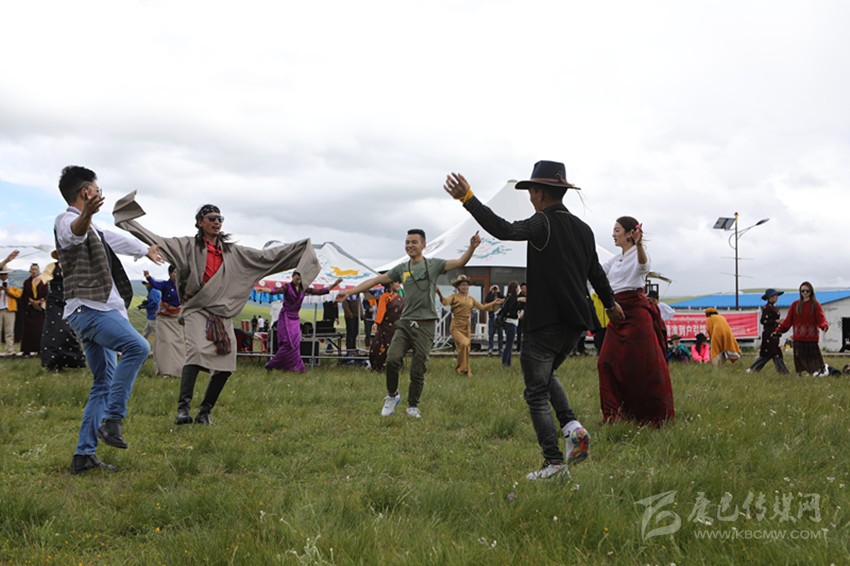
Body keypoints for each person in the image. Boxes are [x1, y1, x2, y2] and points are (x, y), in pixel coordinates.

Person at [444, 161, 622, 481]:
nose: (529, 198)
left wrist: (468, 198)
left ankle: (554, 464)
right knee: (546, 375)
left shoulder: (542, 222)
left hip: (544, 321)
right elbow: (596, 272)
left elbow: (505, 230)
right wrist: (610, 304)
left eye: (531, 192)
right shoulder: (583, 229)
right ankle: (571, 426)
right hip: (575, 323)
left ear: (539, 193)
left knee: (536, 393)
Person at [113, 191, 320, 425]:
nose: (217, 222)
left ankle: (204, 412)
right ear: (200, 222)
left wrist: (300, 249)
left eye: (220, 219)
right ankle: (183, 410)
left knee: (227, 363)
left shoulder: (233, 253)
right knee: (196, 352)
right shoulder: (187, 246)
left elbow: (265, 257)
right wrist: (128, 220)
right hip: (196, 308)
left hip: (222, 314)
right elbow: (156, 239)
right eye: (212, 218)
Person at [55, 166, 162, 475]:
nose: (99, 193)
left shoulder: (95, 230)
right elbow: (73, 233)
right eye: (97, 189)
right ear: (86, 192)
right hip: (92, 311)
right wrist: (86, 213)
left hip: (94, 312)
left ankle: (83, 456)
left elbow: (115, 239)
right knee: (138, 347)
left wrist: (145, 249)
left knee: (102, 384)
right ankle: (113, 420)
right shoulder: (65, 221)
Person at [337, 228, 480, 419]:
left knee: (418, 366)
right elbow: (377, 280)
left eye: (414, 242)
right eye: (407, 242)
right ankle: (392, 395)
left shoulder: (434, 265)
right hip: (405, 322)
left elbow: (460, 262)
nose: (410, 245)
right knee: (392, 359)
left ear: (423, 245)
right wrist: (350, 292)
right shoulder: (402, 269)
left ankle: (413, 406)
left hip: (426, 324)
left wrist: (471, 247)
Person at [598, 216, 674, 427]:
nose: (613, 234)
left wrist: (639, 245)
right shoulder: (615, 260)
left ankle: (646, 416)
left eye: (617, 230)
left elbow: (643, 266)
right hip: (617, 313)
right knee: (605, 362)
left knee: (639, 366)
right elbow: (596, 272)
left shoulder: (640, 255)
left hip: (636, 315)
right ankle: (612, 415)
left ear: (630, 233)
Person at [265, 272, 341, 373]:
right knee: (288, 343)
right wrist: (266, 290)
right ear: (292, 277)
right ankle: (272, 364)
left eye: (300, 279)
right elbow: (277, 290)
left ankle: (295, 367)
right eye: (296, 279)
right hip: (286, 317)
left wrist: (335, 284)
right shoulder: (287, 287)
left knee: (296, 344)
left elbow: (320, 292)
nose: (298, 281)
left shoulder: (303, 288)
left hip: (295, 318)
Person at [437, 274, 502, 376]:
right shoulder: (454, 297)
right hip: (456, 326)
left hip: (466, 326)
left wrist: (494, 302)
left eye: (466, 285)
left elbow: (482, 307)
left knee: (466, 348)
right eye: (463, 285)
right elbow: (445, 302)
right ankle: (462, 368)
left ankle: (464, 369)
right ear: (458, 286)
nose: (465, 287)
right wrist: (439, 293)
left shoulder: (471, 299)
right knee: (465, 343)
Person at [39, 253, 86, 372]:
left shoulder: (73, 266)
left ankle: (70, 361)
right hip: (54, 302)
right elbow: (45, 276)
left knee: (69, 330)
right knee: (54, 330)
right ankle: (53, 363)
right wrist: (41, 280)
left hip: (69, 301)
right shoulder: (52, 266)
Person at [774, 281, 829, 377]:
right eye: (802, 291)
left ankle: (816, 374)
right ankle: (800, 375)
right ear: (800, 292)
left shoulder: (815, 305)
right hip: (798, 338)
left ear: (811, 292)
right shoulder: (795, 305)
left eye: (807, 291)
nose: (805, 293)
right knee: (799, 359)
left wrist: (824, 326)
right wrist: (778, 331)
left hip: (811, 338)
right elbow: (787, 321)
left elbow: (821, 318)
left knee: (814, 360)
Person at [145, 266, 185, 377]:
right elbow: (156, 285)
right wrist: (148, 277)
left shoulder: (182, 286)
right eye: (174, 272)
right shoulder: (165, 285)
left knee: (179, 343)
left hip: (176, 319)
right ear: (170, 273)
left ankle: (179, 370)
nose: (176, 274)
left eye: (178, 272)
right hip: (164, 319)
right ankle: (165, 370)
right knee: (166, 342)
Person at [747, 288, 790, 375]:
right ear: (770, 297)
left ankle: (783, 372)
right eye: (774, 296)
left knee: (774, 354)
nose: (776, 298)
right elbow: (763, 321)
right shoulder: (767, 308)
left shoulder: (774, 308)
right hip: (769, 334)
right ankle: (753, 369)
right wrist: (776, 321)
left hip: (774, 333)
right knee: (769, 353)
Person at [369, 281, 404, 372]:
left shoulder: (399, 297)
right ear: (390, 284)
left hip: (397, 326)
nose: (398, 285)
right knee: (383, 345)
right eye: (396, 283)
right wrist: (376, 323)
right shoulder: (384, 297)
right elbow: (380, 311)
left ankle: (397, 365)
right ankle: (380, 366)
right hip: (386, 327)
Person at [19, 263, 48, 357]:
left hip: (39, 309)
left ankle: (40, 350)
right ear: (30, 271)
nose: (34, 271)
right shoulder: (27, 282)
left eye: (36, 269)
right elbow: (24, 295)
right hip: (30, 309)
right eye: (33, 269)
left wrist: (39, 301)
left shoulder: (43, 282)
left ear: (38, 271)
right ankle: (26, 350)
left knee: (39, 330)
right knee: (28, 331)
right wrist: (31, 301)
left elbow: (46, 294)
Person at [0, 251, 22, 356]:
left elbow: (18, 294)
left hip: (10, 309)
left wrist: (8, 291)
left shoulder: (13, 283)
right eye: (2, 274)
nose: (4, 276)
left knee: (9, 331)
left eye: (5, 274)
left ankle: (10, 350)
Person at [499, 281, 522, 367]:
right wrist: (518, 314)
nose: (518, 289)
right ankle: (505, 363)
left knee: (509, 344)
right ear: (514, 289)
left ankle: (508, 363)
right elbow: (512, 311)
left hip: (508, 322)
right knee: (509, 345)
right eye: (517, 288)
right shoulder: (512, 298)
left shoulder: (508, 297)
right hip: (511, 322)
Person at [485, 284, 504, 356]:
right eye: (494, 288)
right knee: (491, 333)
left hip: (499, 316)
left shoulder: (500, 296)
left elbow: (504, 298)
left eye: (496, 288)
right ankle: (490, 348)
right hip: (492, 316)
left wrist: (498, 292)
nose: (495, 289)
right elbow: (487, 300)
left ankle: (500, 348)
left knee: (500, 334)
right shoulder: (491, 295)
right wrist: (490, 291)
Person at [516, 281, 527, 352]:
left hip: (527, 316)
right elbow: (516, 304)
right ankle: (518, 347)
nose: (523, 289)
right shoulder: (518, 296)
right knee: (519, 332)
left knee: (527, 332)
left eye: (525, 288)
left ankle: (526, 347)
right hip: (520, 316)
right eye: (522, 288)